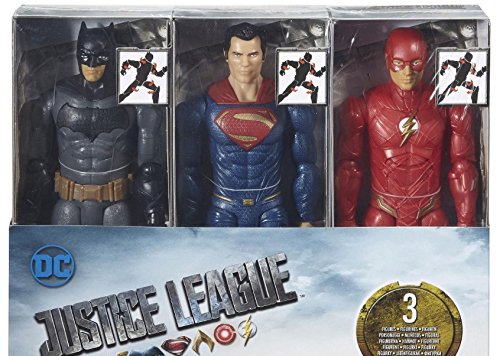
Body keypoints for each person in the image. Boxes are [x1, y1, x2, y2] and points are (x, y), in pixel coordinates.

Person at [19, 22, 165, 225]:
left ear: (111, 55)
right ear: (77, 54)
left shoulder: (134, 100)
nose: (92, 64)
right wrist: (27, 215)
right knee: (61, 244)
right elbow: (38, 166)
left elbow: (149, 170)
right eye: (85, 55)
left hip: (116, 206)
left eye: (100, 56)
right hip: (68, 203)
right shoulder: (55, 98)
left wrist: (154, 215)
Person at [176, 22, 319, 227]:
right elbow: (189, 169)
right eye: (237, 54)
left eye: (252, 54)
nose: (245, 63)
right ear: (226, 55)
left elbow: (306, 165)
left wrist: (306, 217)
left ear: (263, 55)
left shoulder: (286, 102)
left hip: (271, 207)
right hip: (224, 207)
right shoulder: (204, 105)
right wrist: (189, 221)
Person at [335, 27, 478, 227]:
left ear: (426, 58)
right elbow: (349, 167)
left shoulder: (447, 106)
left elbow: (463, 168)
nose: (407, 73)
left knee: (463, 167)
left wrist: (466, 224)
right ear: (387, 60)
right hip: (383, 209)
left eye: (415, 63)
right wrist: (346, 222)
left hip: (430, 210)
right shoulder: (365, 105)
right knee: (348, 168)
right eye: (399, 64)